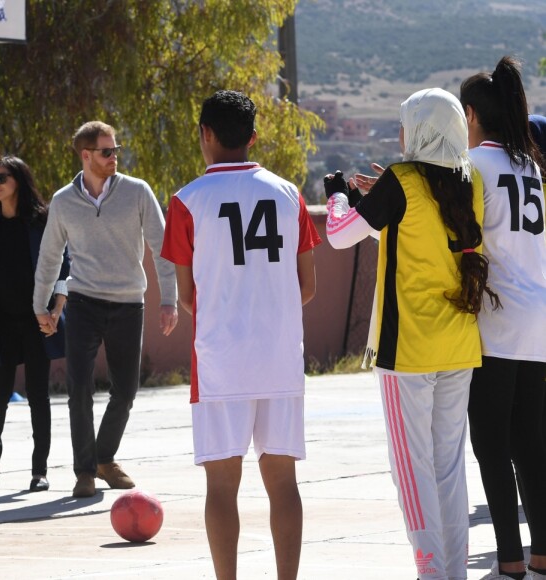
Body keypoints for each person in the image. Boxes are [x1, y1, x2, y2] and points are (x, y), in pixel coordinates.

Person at [324, 87, 500, 580]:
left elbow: (339, 235)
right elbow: (415, 232)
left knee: (412, 469)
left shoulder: (401, 179)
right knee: (447, 467)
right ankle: (452, 571)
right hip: (460, 344)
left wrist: (339, 197)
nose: (400, 133)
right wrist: (373, 199)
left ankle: (429, 570)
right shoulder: (469, 183)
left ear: (419, 130)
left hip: (408, 350)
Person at [161, 90, 321, 580]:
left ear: (204, 134)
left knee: (221, 488)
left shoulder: (186, 201)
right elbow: (308, 287)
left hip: (219, 361)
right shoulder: (289, 194)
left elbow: (188, 294)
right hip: (279, 357)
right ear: (254, 137)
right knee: (283, 484)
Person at [33, 121, 178, 498]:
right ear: (86, 155)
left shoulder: (137, 192)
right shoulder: (64, 200)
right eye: (107, 151)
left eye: (116, 150)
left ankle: (104, 457)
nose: (115, 156)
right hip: (82, 303)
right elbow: (50, 257)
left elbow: (162, 248)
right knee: (79, 388)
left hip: (129, 303)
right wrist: (40, 305)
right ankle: (84, 471)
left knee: (126, 390)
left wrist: (168, 300)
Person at [460, 56, 546, 580]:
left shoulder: (473, 166)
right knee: (531, 441)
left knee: (490, 441)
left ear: (471, 115)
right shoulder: (532, 166)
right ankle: (540, 553)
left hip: (496, 319)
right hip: (538, 318)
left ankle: (509, 559)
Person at [0, 155, 69, 492]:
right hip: (1, 322)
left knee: (39, 394)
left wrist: (56, 311)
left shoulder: (42, 222)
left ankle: (39, 470)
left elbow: (62, 269)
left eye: (2, 178)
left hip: (37, 320)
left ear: (19, 182)